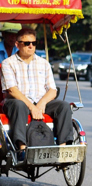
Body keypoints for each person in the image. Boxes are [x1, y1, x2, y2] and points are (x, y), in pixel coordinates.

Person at [1, 28, 73, 161]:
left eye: (33, 43)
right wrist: (32, 107)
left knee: (63, 106)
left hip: (40, 102)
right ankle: (21, 148)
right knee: (19, 105)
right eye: (26, 43)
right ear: (17, 44)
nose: (30, 46)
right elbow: (12, 90)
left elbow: (52, 90)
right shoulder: (8, 63)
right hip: (16, 101)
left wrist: (41, 103)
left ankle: (64, 148)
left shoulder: (44, 63)